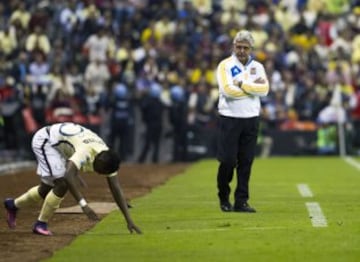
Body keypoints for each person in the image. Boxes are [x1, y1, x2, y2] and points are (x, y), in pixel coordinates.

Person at [3, 122, 142, 236]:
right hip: (46, 141)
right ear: (97, 159)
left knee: (45, 190)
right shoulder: (85, 151)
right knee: (62, 184)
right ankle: (40, 224)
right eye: (100, 170)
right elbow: (68, 176)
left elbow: (115, 188)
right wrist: (84, 205)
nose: (99, 173)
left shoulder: (107, 157)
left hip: (60, 146)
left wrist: (128, 220)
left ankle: (13, 205)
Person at [215, 30, 269, 212]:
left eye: (245, 47)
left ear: (251, 48)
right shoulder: (225, 65)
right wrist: (252, 89)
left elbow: (265, 90)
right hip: (230, 118)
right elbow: (227, 91)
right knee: (228, 161)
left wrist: (242, 85)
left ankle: (241, 201)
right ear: (233, 46)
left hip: (251, 119)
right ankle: (223, 196)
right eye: (238, 47)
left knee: (246, 162)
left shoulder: (258, 67)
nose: (241, 51)